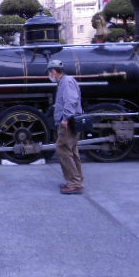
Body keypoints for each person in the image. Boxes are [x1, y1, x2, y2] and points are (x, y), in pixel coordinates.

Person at [47, 59, 84, 194]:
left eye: (49, 72)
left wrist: (65, 119)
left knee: (63, 150)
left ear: (54, 71)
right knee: (72, 151)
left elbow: (71, 100)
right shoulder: (64, 81)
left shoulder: (66, 81)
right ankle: (76, 181)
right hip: (69, 121)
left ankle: (74, 183)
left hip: (68, 123)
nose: (49, 75)